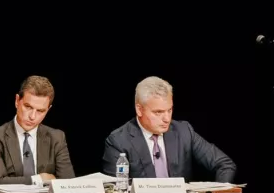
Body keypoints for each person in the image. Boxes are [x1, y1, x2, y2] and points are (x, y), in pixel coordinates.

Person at [100, 76, 237, 181]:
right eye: (158, 112)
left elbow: (224, 164)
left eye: (169, 110)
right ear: (139, 110)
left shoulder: (184, 131)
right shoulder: (118, 141)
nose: (167, 119)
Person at [0, 75, 75, 185]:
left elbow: (68, 185)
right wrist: (39, 179)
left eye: (40, 111)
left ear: (48, 109)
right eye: (28, 107)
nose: (32, 117)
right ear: (17, 101)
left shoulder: (57, 138)